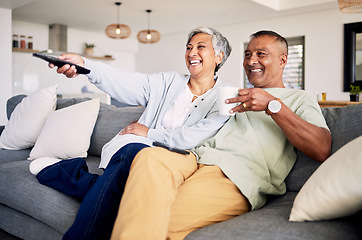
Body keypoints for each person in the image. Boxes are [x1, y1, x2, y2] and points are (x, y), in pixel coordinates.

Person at [110, 30, 332, 240]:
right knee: (148, 157)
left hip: (234, 174)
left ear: (283, 60)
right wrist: (147, 126)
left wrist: (272, 105)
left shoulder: (298, 99)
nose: (251, 61)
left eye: (261, 54)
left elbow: (321, 147)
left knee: (154, 219)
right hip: (192, 158)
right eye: (248, 55)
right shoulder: (234, 94)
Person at [30, 27, 233, 240]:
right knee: (133, 154)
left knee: (128, 164)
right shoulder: (169, 82)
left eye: (201, 47)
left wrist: (149, 133)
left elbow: (197, 135)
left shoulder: (226, 96)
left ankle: (71, 176)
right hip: (133, 154)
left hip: (170, 162)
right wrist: (85, 65)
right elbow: (126, 81)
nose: (192, 53)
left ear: (219, 56)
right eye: (189, 48)